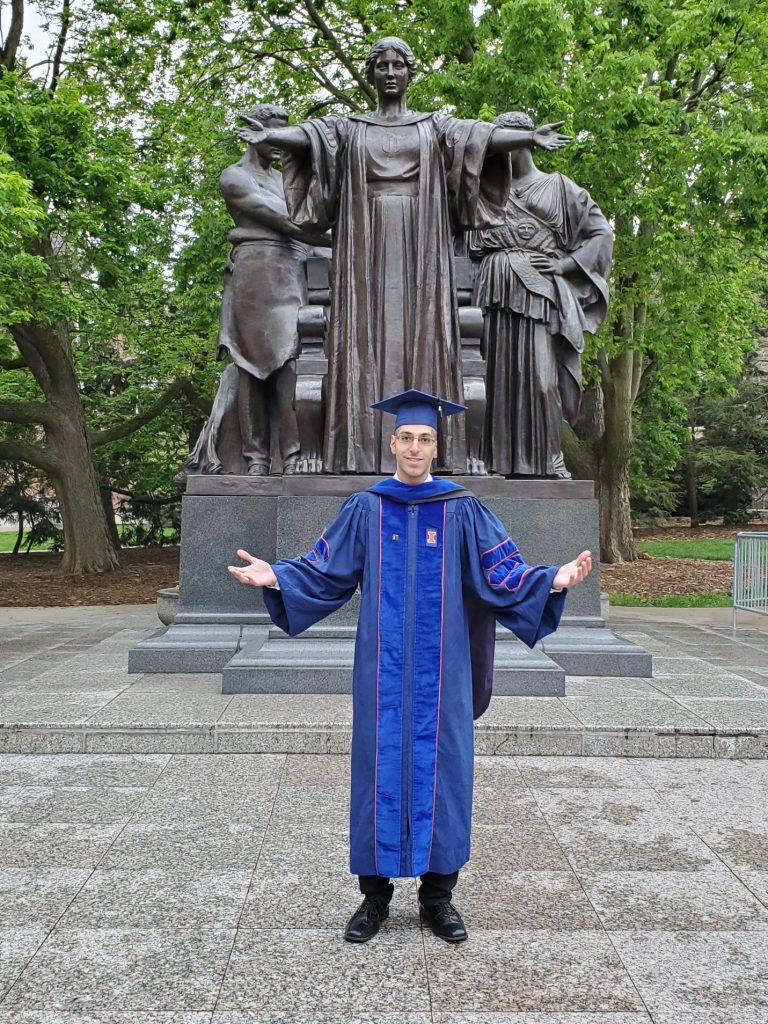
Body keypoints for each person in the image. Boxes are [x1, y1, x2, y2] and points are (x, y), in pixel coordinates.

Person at [228, 389, 592, 944]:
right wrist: (275, 577)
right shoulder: (367, 507)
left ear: (436, 446)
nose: (415, 447)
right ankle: (374, 901)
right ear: (392, 443)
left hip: (443, 675)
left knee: (446, 774)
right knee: (377, 773)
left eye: (425, 439)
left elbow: (503, 573)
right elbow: (326, 571)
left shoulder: (462, 509)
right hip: (383, 672)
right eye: (407, 438)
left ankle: (438, 899)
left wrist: (554, 580)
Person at [235, 39, 571, 474]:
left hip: (421, 247)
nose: (390, 72)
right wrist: (271, 134)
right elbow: (311, 136)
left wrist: (527, 135)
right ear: (371, 74)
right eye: (382, 66)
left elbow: (480, 138)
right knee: (362, 337)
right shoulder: (349, 127)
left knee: (424, 333)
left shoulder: (433, 127)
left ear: (410, 74)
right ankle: (355, 450)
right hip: (365, 245)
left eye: (398, 65)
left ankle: (435, 452)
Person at [468, 111, 613, 478]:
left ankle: (548, 458)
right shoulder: (481, 194)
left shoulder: (560, 187)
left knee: (541, 378)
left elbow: (600, 234)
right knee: (490, 377)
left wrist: (567, 266)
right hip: (493, 289)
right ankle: (490, 459)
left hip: (537, 291)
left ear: (523, 141)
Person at [206, 103, 330, 476]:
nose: (277, 143)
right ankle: (255, 458)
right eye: (269, 133)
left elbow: (308, 221)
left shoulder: (286, 178)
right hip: (256, 273)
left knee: (291, 359)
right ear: (251, 132)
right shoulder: (234, 177)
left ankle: (292, 455)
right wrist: (339, 234)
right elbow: (286, 219)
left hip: (292, 271)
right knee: (250, 365)